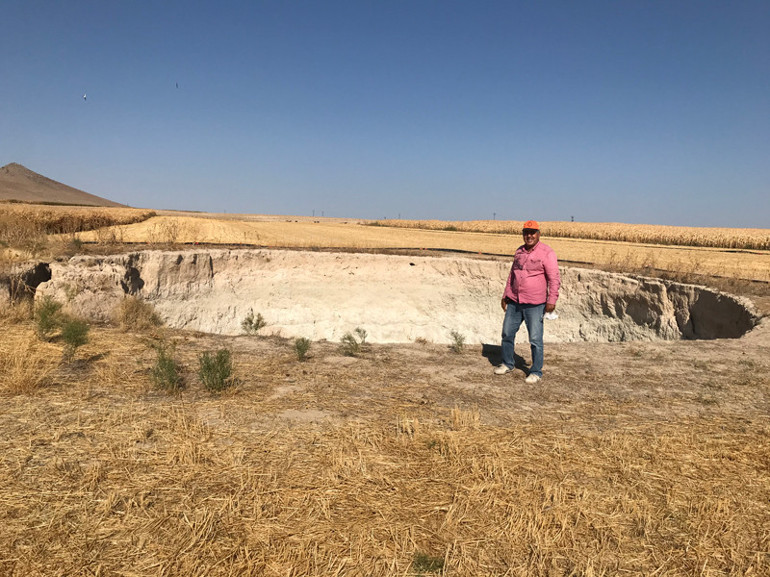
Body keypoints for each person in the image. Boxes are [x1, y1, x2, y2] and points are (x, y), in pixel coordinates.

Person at [495, 220, 561, 383]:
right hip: (515, 302)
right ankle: (508, 363)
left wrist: (551, 300)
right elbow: (513, 274)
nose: (529, 236)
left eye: (532, 232)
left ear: (538, 234)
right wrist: (506, 294)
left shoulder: (547, 253)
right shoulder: (519, 251)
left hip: (535, 304)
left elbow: (554, 279)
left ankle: (536, 371)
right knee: (507, 333)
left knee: (535, 339)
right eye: (526, 232)